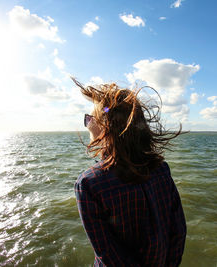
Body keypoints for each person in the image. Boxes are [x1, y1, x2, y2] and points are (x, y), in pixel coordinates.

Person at [72, 78, 187, 267]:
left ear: (106, 127)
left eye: (88, 118)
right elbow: (178, 231)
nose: (87, 124)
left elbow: (108, 254)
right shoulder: (161, 169)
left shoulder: (89, 184)